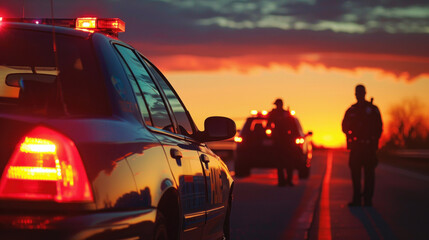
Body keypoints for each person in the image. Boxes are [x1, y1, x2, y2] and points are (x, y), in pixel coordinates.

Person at [342, 84, 383, 206]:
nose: (359, 95)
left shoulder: (373, 109)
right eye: (357, 93)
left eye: (361, 92)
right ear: (355, 94)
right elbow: (344, 126)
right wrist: (350, 134)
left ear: (365, 93)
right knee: (355, 174)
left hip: (369, 146)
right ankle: (357, 199)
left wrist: (374, 140)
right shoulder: (351, 110)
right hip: (356, 146)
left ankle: (368, 199)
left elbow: (379, 127)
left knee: (369, 174)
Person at [267, 98, 295, 187]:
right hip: (280, 140)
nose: (276, 106)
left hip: (285, 140)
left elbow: (292, 125)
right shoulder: (275, 114)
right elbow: (268, 125)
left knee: (287, 162)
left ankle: (287, 181)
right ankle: (282, 181)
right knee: (280, 162)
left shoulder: (285, 113)